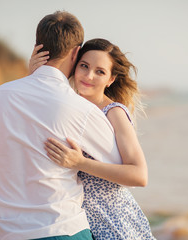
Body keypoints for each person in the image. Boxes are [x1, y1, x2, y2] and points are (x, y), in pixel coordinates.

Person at [0, 11, 124, 240]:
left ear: (38, 46)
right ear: (76, 52)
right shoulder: (82, 109)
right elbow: (122, 168)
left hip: (8, 232)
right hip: (63, 229)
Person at [29, 38, 156, 239]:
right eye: (84, 66)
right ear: (74, 66)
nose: (88, 76)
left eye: (100, 71)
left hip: (114, 223)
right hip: (78, 222)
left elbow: (140, 175)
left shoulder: (114, 112)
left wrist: (80, 162)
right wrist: (35, 76)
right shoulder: (68, 104)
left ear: (111, 79)